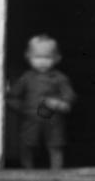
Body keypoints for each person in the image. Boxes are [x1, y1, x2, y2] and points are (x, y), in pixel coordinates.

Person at [7, 34, 76, 169]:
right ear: (28, 57)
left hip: (53, 120)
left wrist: (59, 104)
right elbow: (12, 96)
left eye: (47, 58)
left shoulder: (60, 78)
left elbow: (69, 96)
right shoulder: (26, 78)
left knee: (55, 146)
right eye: (37, 57)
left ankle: (56, 173)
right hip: (30, 119)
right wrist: (23, 108)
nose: (42, 62)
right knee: (27, 145)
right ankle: (27, 171)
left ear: (57, 58)